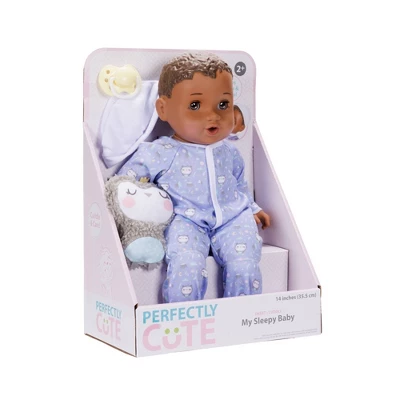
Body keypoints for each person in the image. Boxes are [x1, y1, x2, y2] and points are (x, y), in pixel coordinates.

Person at [117, 53, 271, 303]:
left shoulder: (229, 151)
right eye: (196, 105)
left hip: (233, 218)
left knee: (245, 266)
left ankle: (241, 318)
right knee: (186, 268)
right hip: (186, 220)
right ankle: (181, 319)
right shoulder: (162, 151)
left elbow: (239, 185)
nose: (213, 115)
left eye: (223, 104)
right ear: (163, 109)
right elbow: (126, 182)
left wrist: (252, 208)